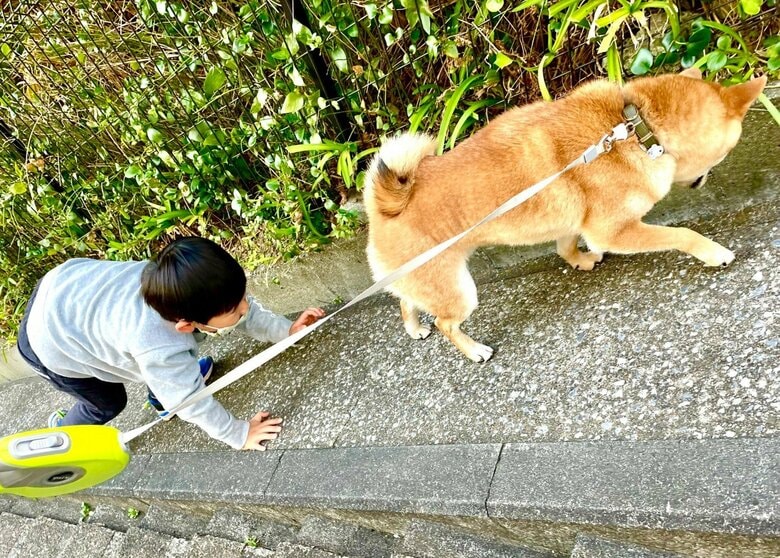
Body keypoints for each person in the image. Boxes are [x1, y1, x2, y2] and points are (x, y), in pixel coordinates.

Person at [15, 236, 325, 450]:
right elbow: (191, 402)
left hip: (63, 288)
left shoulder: (175, 282)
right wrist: (239, 434)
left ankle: (163, 393)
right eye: (236, 309)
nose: (246, 307)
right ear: (185, 325)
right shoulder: (156, 345)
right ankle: (60, 433)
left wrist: (287, 331)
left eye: (242, 297)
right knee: (108, 403)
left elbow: (245, 312)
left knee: (170, 373)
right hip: (46, 341)